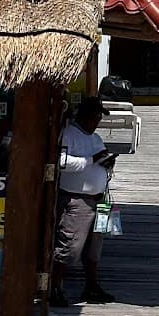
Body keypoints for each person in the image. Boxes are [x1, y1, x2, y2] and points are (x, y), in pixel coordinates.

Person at [50, 96, 116, 305]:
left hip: (99, 199)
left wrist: (106, 162)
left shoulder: (95, 138)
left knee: (94, 249)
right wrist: (91, 160)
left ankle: (92, 286)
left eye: (99, 117)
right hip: (77, 199)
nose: (97, 121)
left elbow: (98, 158)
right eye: (94, 116)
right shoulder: (69, 135)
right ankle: (54, 287)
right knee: (70, 247)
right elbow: (60, 162)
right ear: (84, 115)